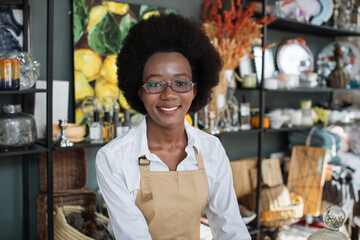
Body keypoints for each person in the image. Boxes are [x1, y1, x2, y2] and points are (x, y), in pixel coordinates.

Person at [95, 13, 251, 240]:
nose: (169, 95)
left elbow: (231, 228)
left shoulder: (211, 149)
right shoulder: (113, 158)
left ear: (195, 90)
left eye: (181, 83)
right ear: (140, 92)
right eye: (155, 84)